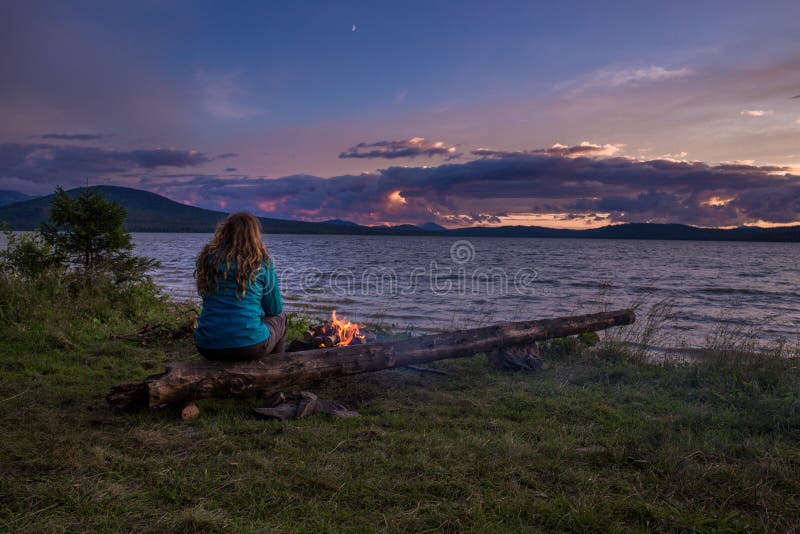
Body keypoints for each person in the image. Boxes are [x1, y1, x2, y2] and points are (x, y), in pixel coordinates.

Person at [193, 212, 286, 361]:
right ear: (254, 236)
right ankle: (277, 369)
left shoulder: (208, 259)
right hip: (248, 346)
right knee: (281, 317)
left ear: (224, 232)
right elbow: (274, 309)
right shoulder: (261, 263)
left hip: (206, 344)